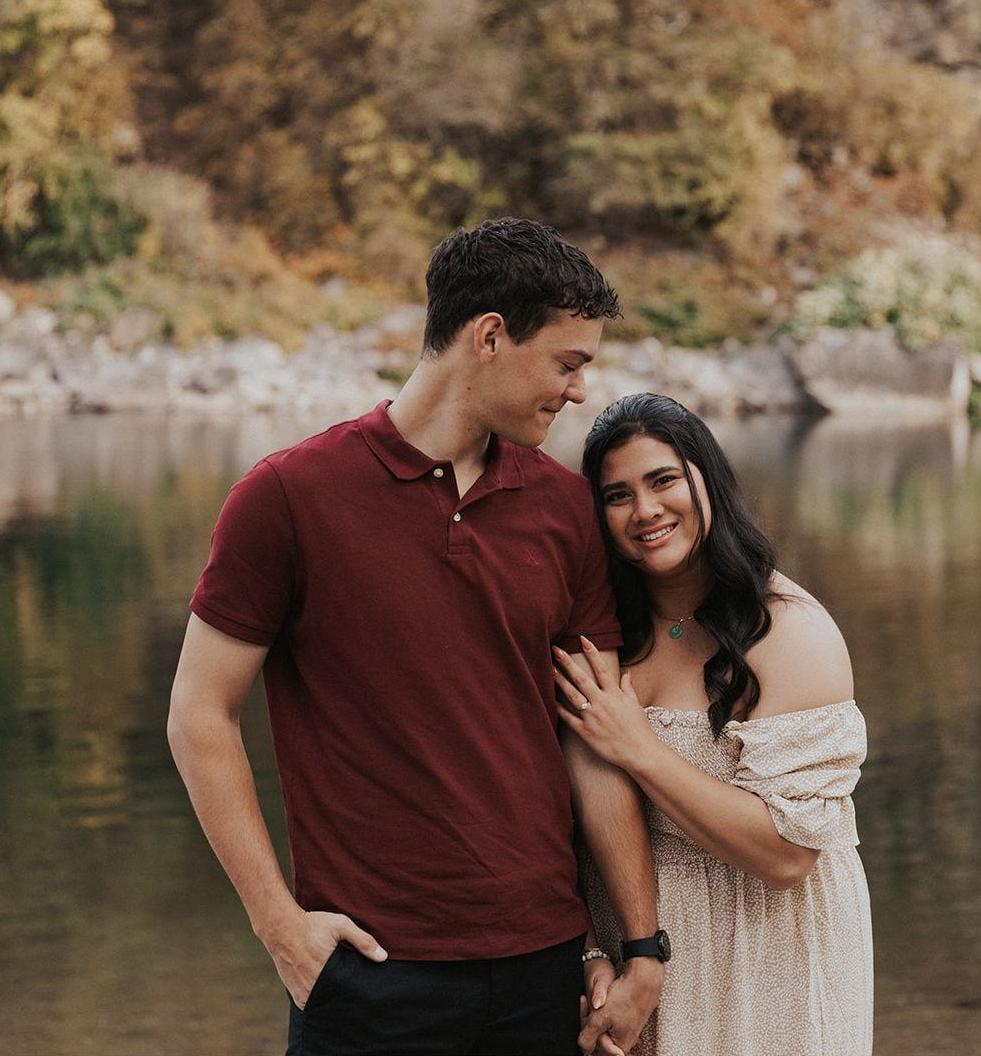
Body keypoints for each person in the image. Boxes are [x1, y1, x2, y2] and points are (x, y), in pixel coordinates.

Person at [167, 219, 667, 1056]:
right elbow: (199, 716)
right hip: (369, 976)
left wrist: (640, 947)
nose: (580, 391)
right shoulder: (288, 496)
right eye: (568, 362)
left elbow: (594, 737)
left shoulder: (563, 508)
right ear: (489, 336)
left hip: (544, 972)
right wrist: (278, 925)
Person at [553, 393, 873, 1056]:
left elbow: (787, 855)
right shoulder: (599, 633)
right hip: (632, 946)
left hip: (766, 944)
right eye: (616, 495)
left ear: (709, 480)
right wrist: (589, 952)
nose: (645, 511)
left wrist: (640, 751)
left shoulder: (789, 632)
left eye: (663, 480)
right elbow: (558, 819)